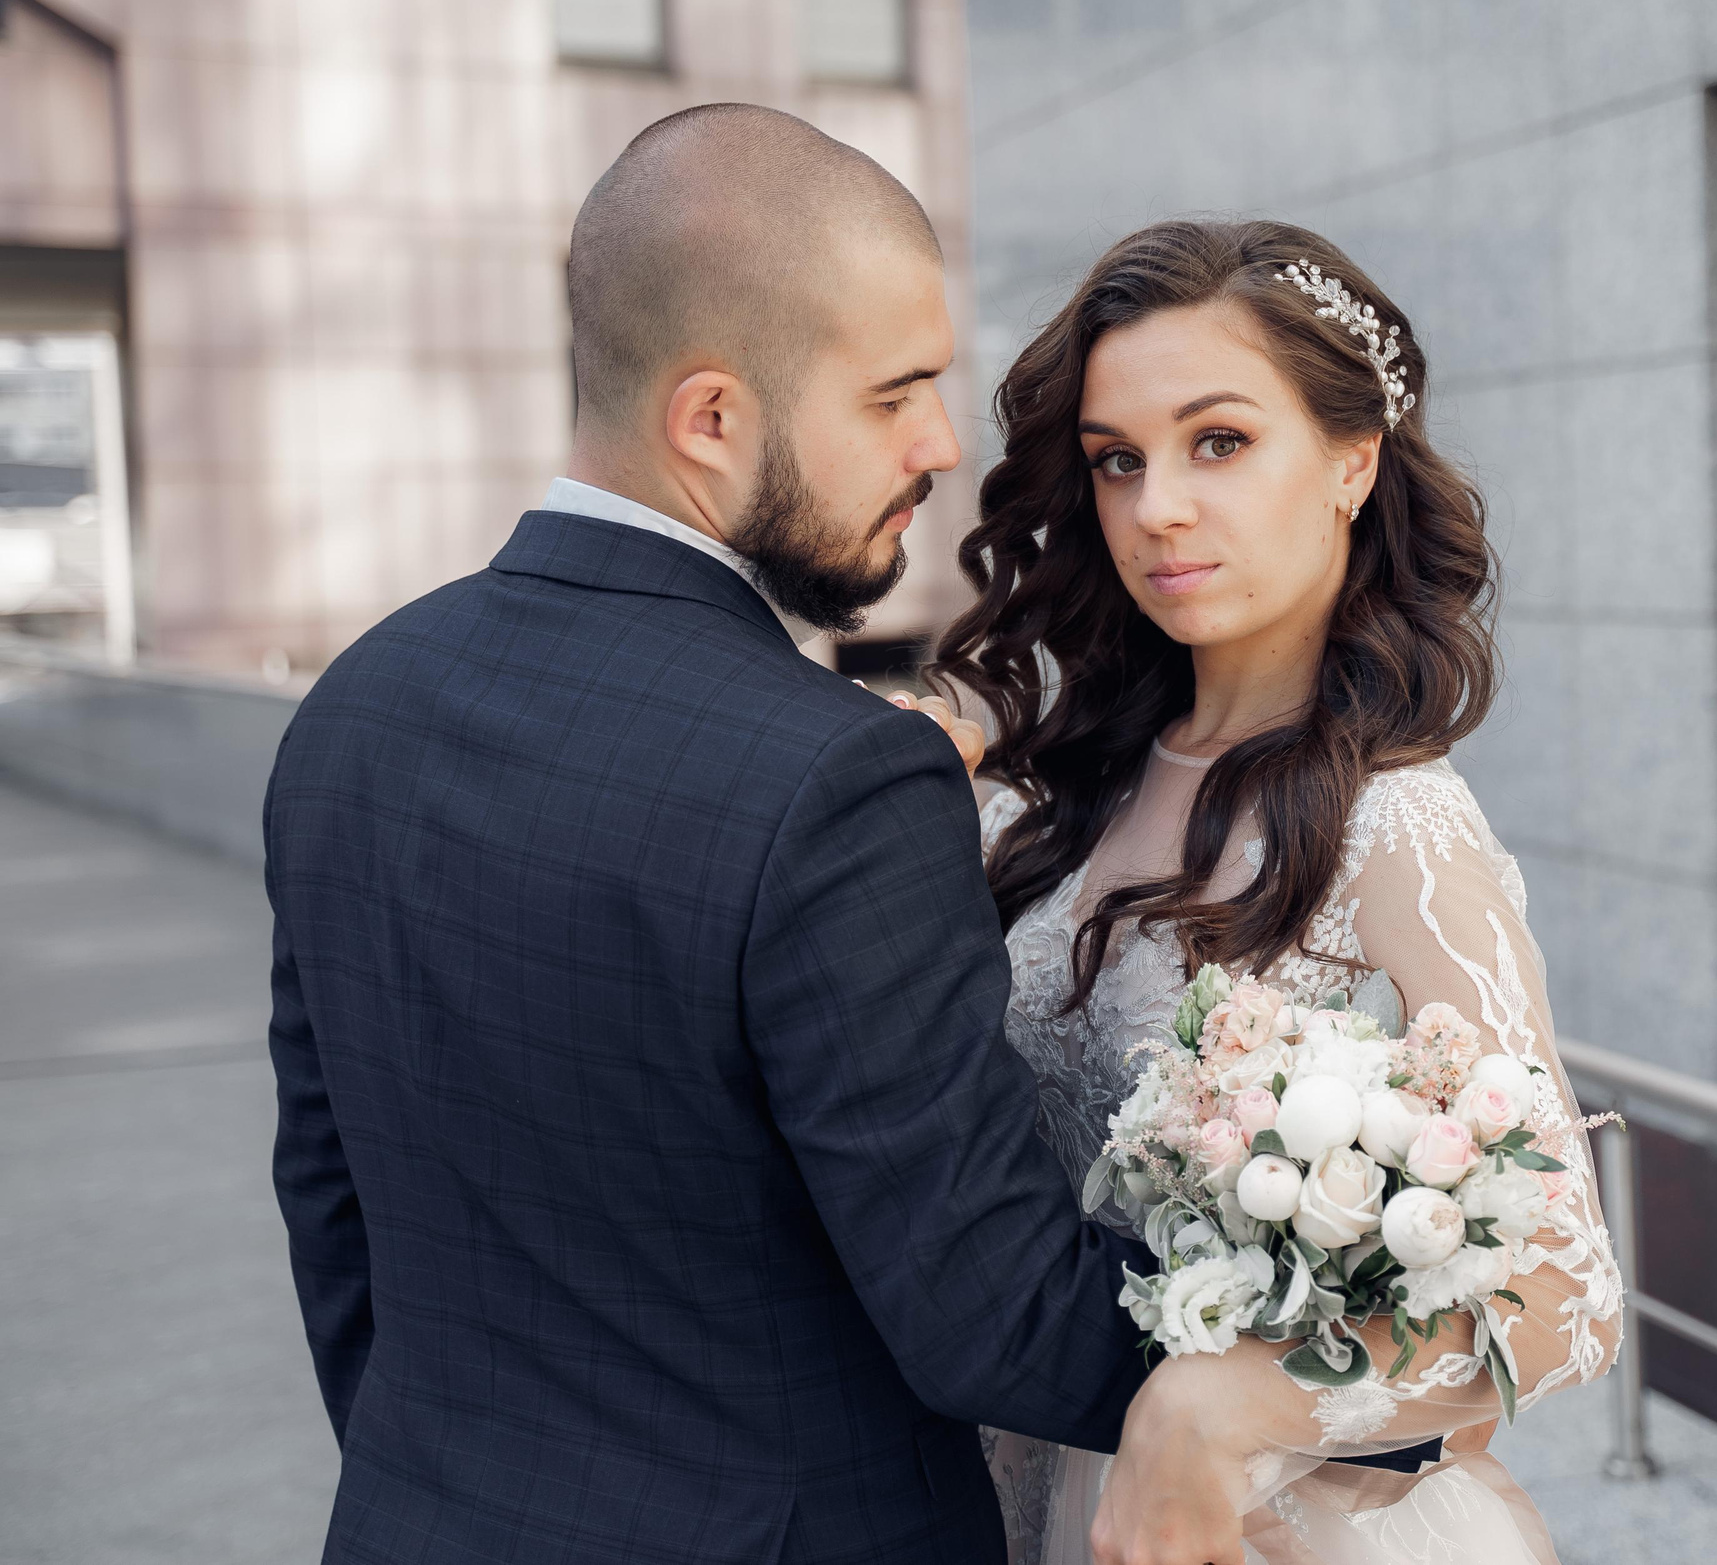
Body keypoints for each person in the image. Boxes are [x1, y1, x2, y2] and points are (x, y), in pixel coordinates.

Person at [263, 104, 1157, 1564]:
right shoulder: (839, 783)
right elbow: (994, 1320)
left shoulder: (354, 706)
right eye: (894, 395)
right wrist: (1351, 1356)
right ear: (713, 420)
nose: (940, 444)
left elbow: (335, 1213)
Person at [936, 220, 1623, 1565]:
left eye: (1219, 443)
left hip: (1268, 1525)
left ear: (1353, 462)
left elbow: (1570, 1292)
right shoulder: (1047, 795)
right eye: (1116, 462)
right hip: (1014, 1487)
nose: (1157, 509)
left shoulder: (1399, 826)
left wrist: (1228, 1401)